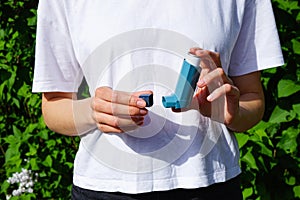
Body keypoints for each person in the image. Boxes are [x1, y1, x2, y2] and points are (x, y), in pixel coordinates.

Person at [32, 0, 284, 199]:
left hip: (211, 183)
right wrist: (93, 112)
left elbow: (252, 99)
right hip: (105, 188)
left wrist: (232, 112)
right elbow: (54, 106)